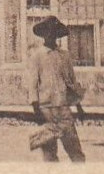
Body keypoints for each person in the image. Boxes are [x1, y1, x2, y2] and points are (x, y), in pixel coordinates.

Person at [28, 16, 85, 162]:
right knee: (49, 154)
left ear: (57, 35)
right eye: (48, 32)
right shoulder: (37, 56)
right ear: (43, 34)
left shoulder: (64, 56)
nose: (51, 35)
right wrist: (36, 111)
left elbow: (72, 82)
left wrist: (79, 107)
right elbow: (33, 85)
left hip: (64, 109)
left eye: (54, 32)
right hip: (46, 110)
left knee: (76, 152)